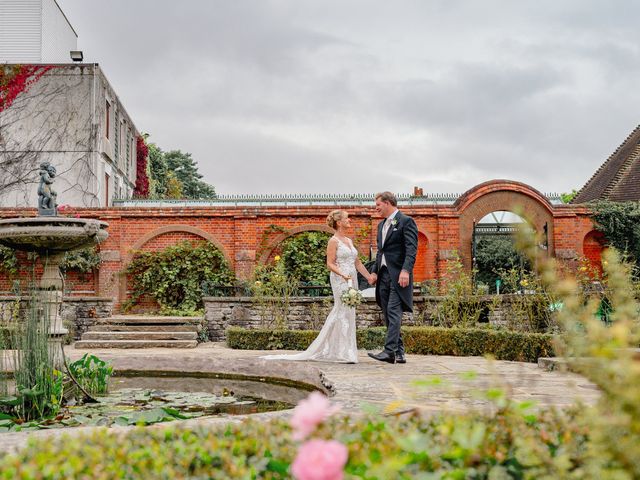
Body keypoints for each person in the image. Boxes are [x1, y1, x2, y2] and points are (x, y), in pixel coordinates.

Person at [262, 210, 375, 363]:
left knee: (350, 312)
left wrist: (368, 277)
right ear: (339, 222)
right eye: (347, 218)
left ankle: (346, 351)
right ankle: (341, 352)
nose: (350, 220)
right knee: (341, 310)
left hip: (351, 279)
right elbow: (329, 263)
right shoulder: (333, 241)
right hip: (340, 279)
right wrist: (342, 274)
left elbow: (357, 263)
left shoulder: (349, 240)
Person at [368, 191, 418, 364]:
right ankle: (399, 353)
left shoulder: (406, 221)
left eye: (378, 205)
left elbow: (411, 249)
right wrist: (374, 271)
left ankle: (389, 351)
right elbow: (380, 252)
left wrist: (406, 271)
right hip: (383, 275)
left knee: (393, 311)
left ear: (388, 203)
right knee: (387, 312)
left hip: (398, 275)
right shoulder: (381, 226)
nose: (376, 209)